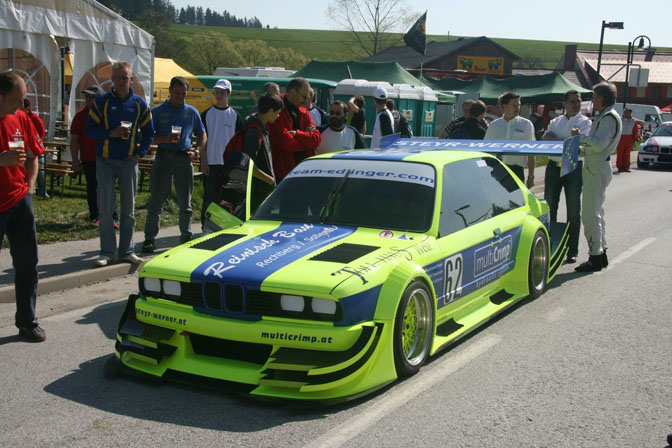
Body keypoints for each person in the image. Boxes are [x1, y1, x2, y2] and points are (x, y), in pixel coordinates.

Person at [86, 61, 154, 267]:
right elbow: (90, 130)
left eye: (125, 78)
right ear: (112, 81)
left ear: (131, 79)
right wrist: (110, 133)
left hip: (128, 163)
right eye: (117, 78)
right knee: (105, 209)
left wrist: (140, 154)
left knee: (128, 209)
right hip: (105, 161)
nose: (121, 82)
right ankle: (107, 252)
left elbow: (150, 132)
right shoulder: (102, 102)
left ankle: (127, 251)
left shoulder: (140, 104)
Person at [0, 72, 46, 342]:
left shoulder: (21, 118)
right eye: (17, 100)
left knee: (27, 264)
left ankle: (27, 321)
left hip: (19, 201)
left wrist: (28, 188)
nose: (21, 105)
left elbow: (33, 156)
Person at [142, 77, 206, 253]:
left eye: (183, 94)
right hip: (163, 156)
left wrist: (197, 152)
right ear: (170, 91)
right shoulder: (157, 111)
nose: (180, 97)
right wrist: (164, 139)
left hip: (184, 158)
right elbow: (146, 136)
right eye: (177, 93)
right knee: (156, 200)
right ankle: (149, 239)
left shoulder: (191, 112)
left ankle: (186, 235)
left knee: (185, 201)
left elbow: (202, 134)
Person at [571, 82, 622, 272]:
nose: (592, 100)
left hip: (597, 167)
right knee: (597, 213)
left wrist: (579, 137)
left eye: (594, 97)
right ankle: (600, 254)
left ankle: (595, 256)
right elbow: (596, 148)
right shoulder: (606, 116)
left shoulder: (608, 118)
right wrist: (580, 149)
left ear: (601, 98)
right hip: (597, 164)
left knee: (590, 214)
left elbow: (599, 145)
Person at [542, 90, 592, 264]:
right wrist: (566, 141)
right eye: (572, 102)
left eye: (578, 101)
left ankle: (572, 250)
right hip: (553, 168)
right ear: (564, 104)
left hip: (573, 167)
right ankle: (551, 247)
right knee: (550, 209)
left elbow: (580, 143)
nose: (576, 104)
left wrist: (559, 140)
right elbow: (545, 138)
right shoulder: (556, 121)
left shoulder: (585, 122)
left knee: (573, 211)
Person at [219, 93, 284, 216]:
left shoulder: (260, 125)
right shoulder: (254, 131)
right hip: (255, 190)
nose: (278, 115)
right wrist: (269, 180)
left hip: (259, 189)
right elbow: (247, 164)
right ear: (270, 111)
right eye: (278, 112)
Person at [200, 78, 242, 227]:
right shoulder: (206, 114)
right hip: (211, 163)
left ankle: (223, 227)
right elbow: (202, 141)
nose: (219, 96)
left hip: (228, 165)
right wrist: (203, 162)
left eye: (222, 93)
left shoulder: (235, 116)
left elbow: (238, 144)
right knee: (209, 198)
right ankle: (205, 226)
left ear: (228, 94)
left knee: (226, 199)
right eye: (217, 92)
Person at [266, 77, 321, 182]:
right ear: (292, 92)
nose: (306, 101)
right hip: (283, 174)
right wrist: (306, 139)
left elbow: (316, 140)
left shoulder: (303, 111)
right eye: (304, 97)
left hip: (304, 171)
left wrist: (297, 134)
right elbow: (285, 142)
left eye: (308, 97)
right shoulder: (277, 110)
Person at [71, 85, 107, 223]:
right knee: (93, 188)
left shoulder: (107, 115)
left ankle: (111, 216)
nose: (89, 99)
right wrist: (75, 160)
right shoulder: (80, 116)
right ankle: (95, 216)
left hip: (106, 156)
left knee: (108, 189)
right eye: (87, 96)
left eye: (92, 97)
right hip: (89, 158)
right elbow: (74, 139)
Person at [484, 92, 536, 187]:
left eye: (519, 105)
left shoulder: (526, 124)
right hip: (497, 170)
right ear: (505, 106)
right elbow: (486, 151)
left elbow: (531, 152)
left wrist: (531, 176)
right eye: (514, 105)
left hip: (517, 171)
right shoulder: (494, 125)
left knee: (517, 201)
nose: (517, 108)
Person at [21, 98, 47, 197]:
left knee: (39, 169)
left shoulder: (34, 118)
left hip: (35, 146)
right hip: (24, 147)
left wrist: (35, 141)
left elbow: (41, 132)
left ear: (27, 108)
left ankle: (42, 189)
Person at [616, 107, 642, 173]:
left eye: (626, 112)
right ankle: (619, 167)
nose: (625, 114)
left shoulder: (633, 121)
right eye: (624, 112)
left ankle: (625, 167)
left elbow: (635, 131)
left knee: (627, 154)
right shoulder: (620, 120)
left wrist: (634, 140)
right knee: (620, 153)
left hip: (629, 138)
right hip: (621, 137)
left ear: (630, 113)